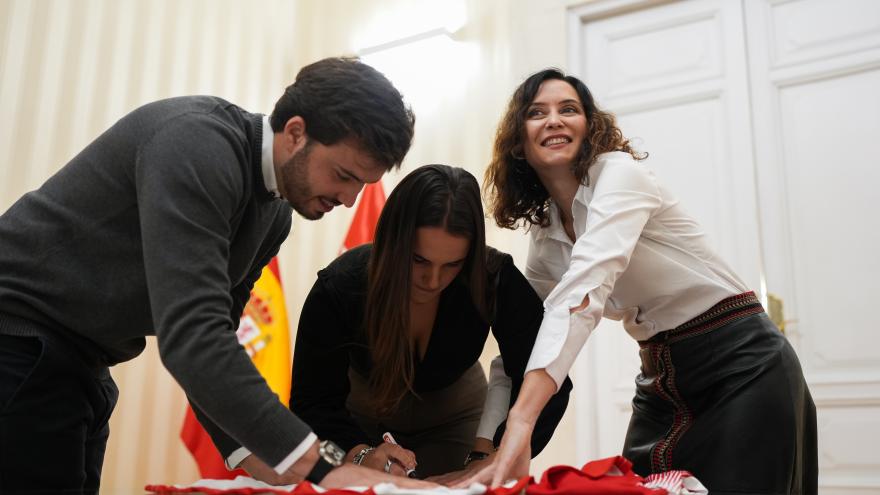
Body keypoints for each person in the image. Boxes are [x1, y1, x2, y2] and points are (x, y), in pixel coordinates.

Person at [0, 57, 434, 492]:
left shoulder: (275, 217)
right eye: (343, 175)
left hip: (82, 364)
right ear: (296, 132)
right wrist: (326, 466)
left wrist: (256, 456)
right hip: (19, 339)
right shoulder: (197, 143)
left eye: (363, 185)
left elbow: (217, 337)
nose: (349, 199)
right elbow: (193, 335)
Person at [460, 69, 817, 493]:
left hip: (743, 362)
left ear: (589, 127)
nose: (554, 119)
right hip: (662, 376)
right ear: (519, 142)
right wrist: (485, 446)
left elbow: (584, 290)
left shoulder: (619, 174)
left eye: (568, 109)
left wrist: (522, 420)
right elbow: (524, 341)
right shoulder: (546, 231)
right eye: (537, 113)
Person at [286, 164, 572, 479]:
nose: (433, 280)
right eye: (418, 259)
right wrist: (360, 454)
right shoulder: (340, 286)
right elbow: (312, 401)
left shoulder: (494, 277)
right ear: (393, 244)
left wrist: (498, 453)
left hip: (456, 416)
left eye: (453, 264)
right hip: (358, 422)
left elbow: (548, 378)